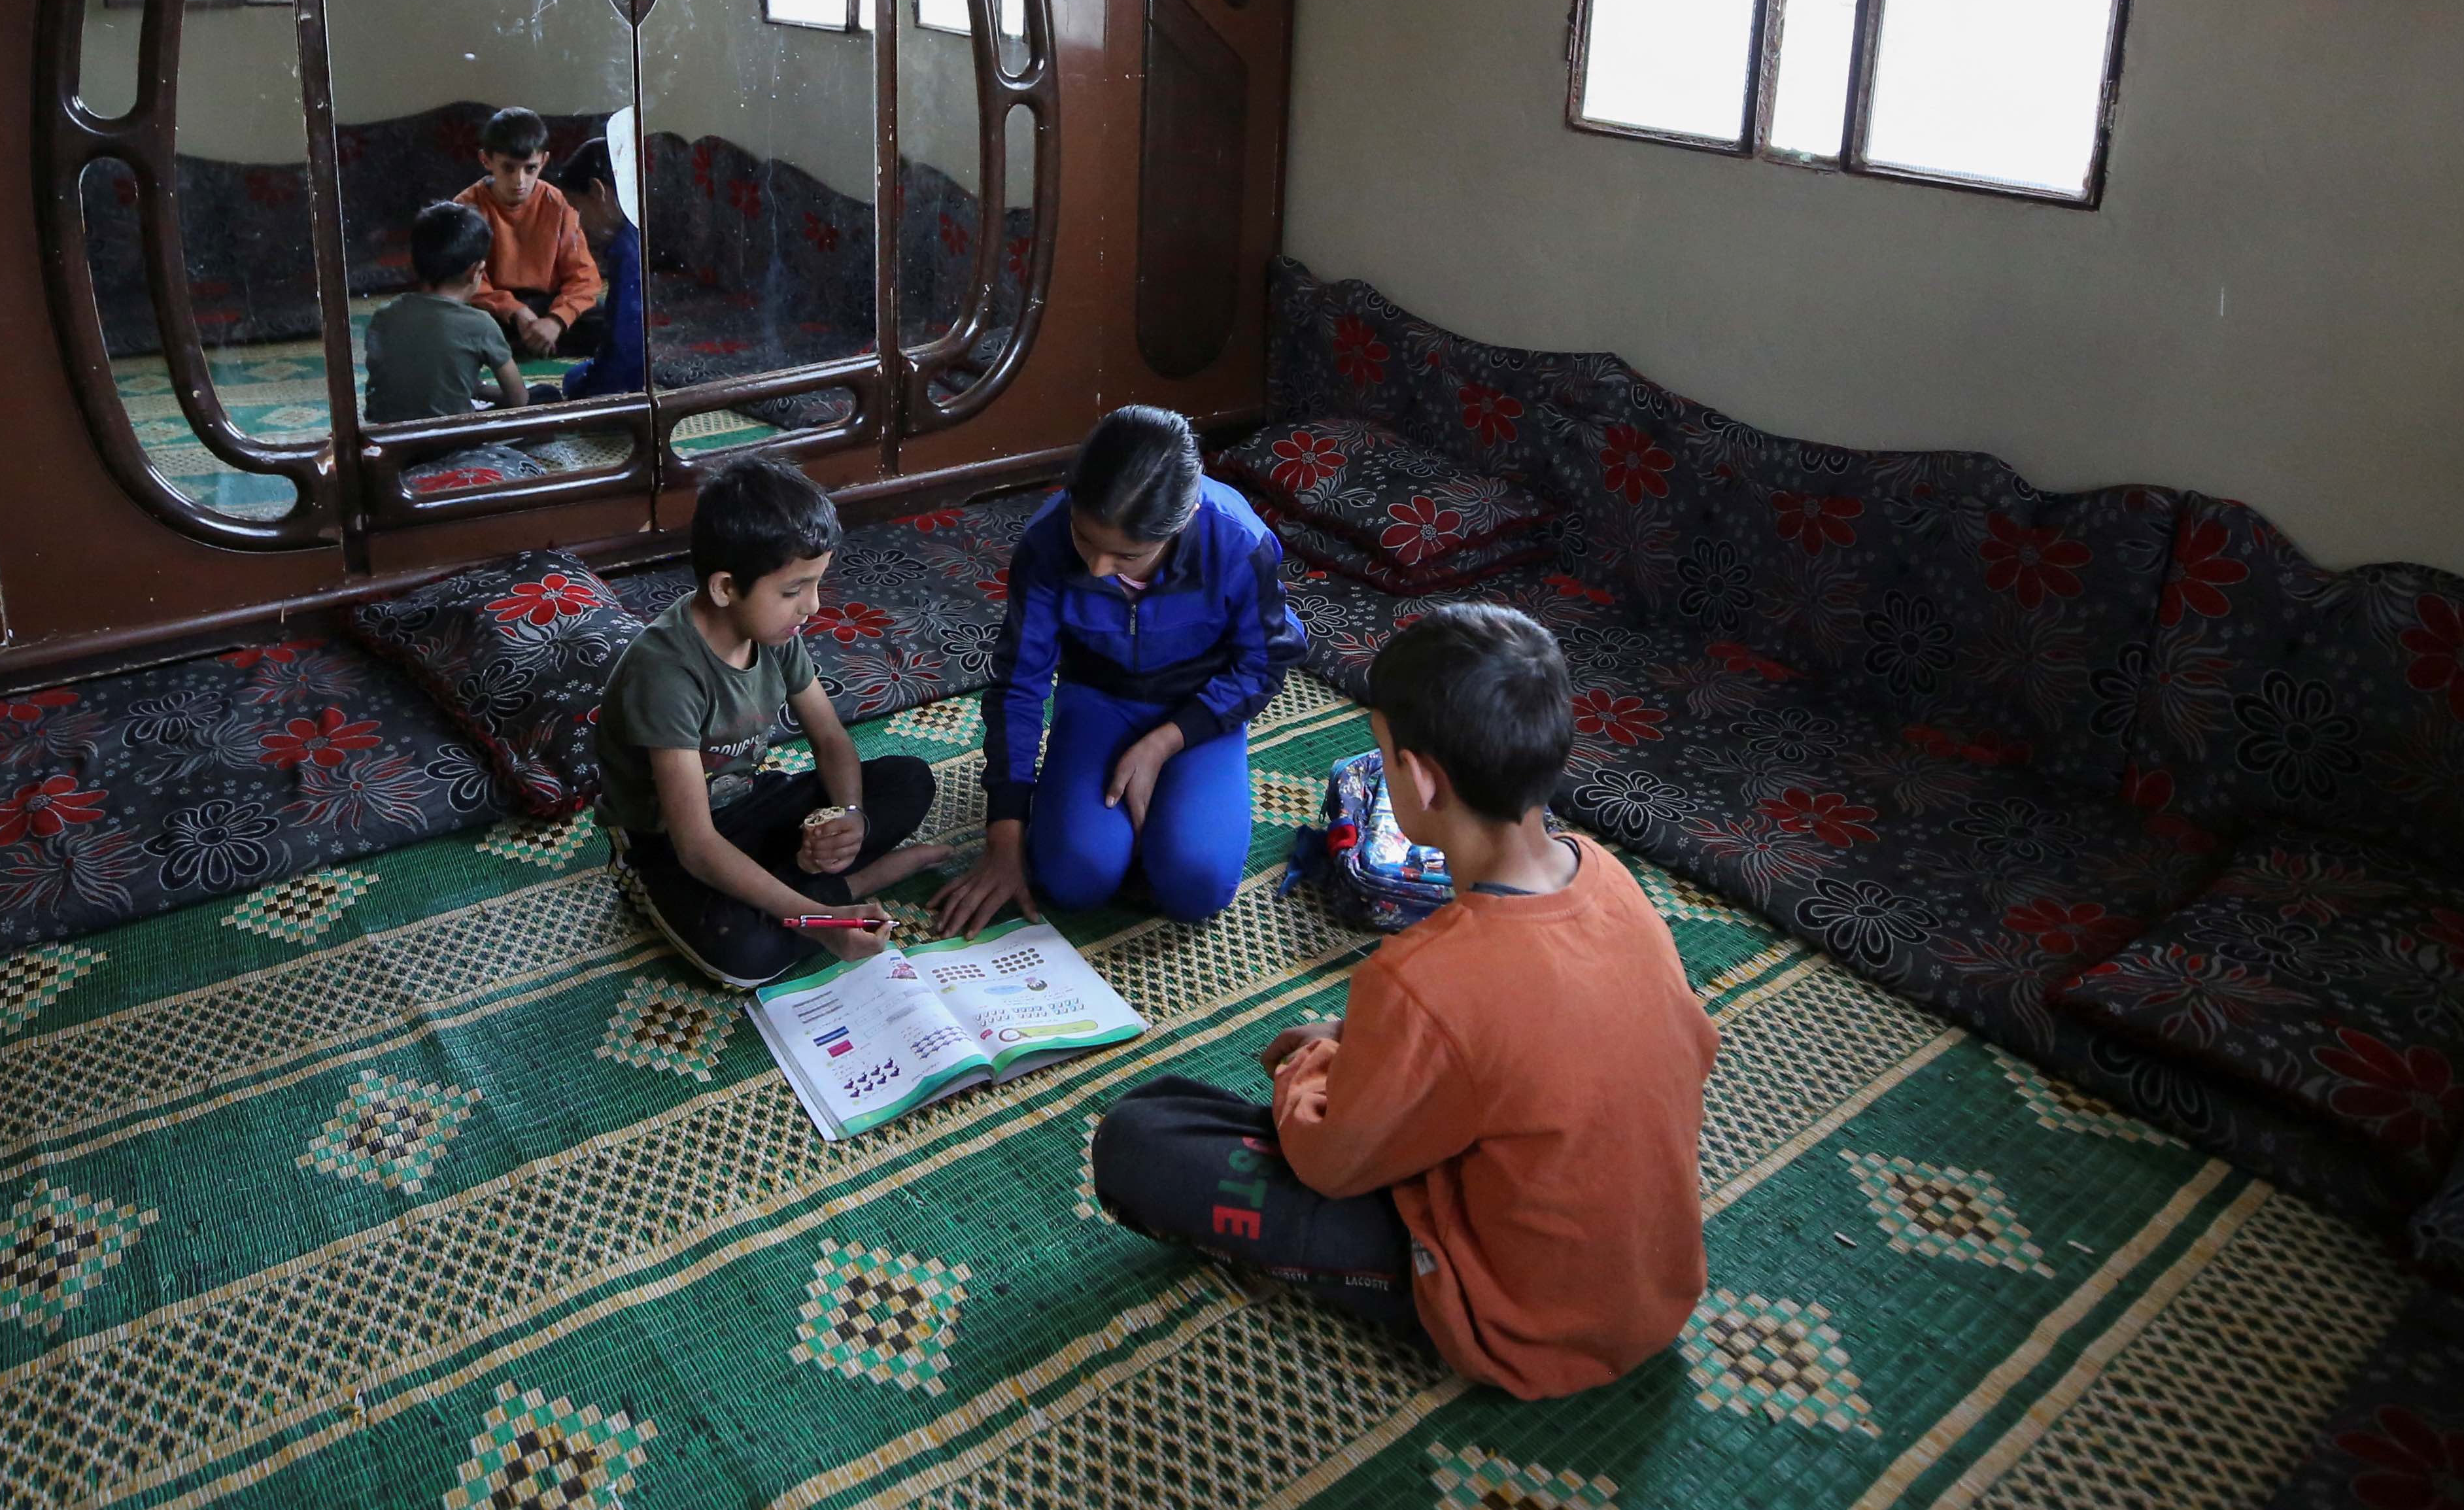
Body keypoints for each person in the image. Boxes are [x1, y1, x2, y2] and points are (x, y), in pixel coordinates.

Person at [1087, 604, 1719, 1398]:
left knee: (1143, 1137)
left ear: (1419, 779)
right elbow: (1604, 1041)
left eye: (1381, 753)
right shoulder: (1609, 879)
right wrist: (1371, 1041)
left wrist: (1319, 1062)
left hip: (1516, 1320)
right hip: (1652, 1290)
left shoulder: (1418, 978)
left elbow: (1329, 1163)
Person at [930, 405, 1303, 934]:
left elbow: (1264, 662)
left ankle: (1160, 820)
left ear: (1187, 516)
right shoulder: (1046, 544)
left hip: (1202, 709)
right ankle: (1119, 832)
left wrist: (1165, 742)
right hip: (1098, 701)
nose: (1098, 568)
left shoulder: (1238, 542)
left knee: (1197, 886)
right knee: (1072, 878)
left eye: (1127, 556)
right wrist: (1004, 836)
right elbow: (1019, 687)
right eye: (1086, 540)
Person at [597, 455, 948, 987]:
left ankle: (805, 887)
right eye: (793, 590)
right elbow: (695, 845)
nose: (812, 606)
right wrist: (818, 923)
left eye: (815, 584)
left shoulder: (776, 633)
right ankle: (848, 888)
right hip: (670, 842)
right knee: (741, 952)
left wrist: (849, 815)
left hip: (748, 802)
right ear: (725, 588)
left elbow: (830, 739)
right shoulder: (666, 673)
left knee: (910, 780)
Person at [362, 200, 530, 426]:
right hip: (449, 444)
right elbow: (518, 398)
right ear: (476, 272)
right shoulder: (481, 324)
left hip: (388, 440)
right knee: (544, 395)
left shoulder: (384, 315)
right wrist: (481, 390)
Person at [457, 105, 605, 360]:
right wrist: (516, 311)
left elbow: (584, 277)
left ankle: (526, 345)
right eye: (508, 168)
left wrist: (557, 320)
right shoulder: (466, 207)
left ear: (544, 161)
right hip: (495, 308)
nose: (520, 181)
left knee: (610, 321)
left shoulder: (557, 203)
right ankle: (533, 345)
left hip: (547, 303)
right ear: (486, 161)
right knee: (458, 325)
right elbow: (463, 278)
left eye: (530, 168)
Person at [545, 137, 648, 402]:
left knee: (574, 381)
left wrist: (586, 387)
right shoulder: (628, 235)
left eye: (578, 209)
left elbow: (625, 352)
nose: (579, 223)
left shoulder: (628, 249)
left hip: (631, 375)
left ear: (597, 191)